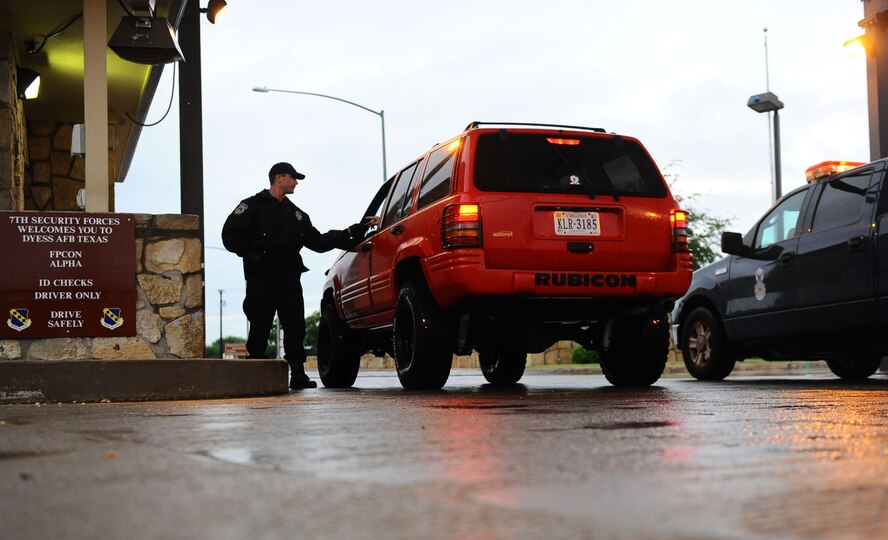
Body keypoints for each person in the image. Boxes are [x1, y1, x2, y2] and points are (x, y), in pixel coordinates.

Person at [222, 162, 370, 389]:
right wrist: (253, 256)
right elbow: (229, 235)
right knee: (260, 321)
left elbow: (318, 242)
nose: (296, 182)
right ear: (279, 178)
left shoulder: (296, 214)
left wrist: (349, 232)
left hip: (289, 276)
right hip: (261, 276)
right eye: (293, 178)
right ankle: (254, 372)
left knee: (295, 325)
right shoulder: (252, 206)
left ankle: (298, 374)